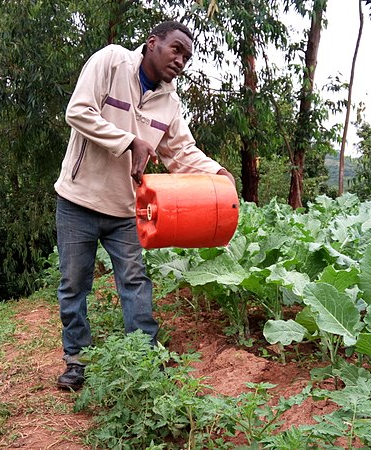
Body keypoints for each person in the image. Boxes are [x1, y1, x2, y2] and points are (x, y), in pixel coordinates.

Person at [53, 20, 235, 390]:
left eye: (187, 55)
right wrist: (130, 141)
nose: (181, 60)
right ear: (152, 43)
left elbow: (180, 152)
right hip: (78, 199)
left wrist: (217, 173)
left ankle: (146, 356)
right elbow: (78, 111)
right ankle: (77, 360)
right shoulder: (111, 62)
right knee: (74, 283)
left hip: (126, 210)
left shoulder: (170, 102)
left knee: (135, 281)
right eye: (176, 49)